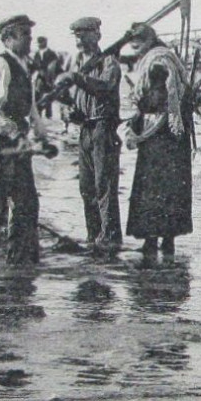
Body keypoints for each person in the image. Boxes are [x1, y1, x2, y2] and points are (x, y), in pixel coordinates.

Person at [0, 14, 49, 265]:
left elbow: (29, 105)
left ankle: (20, 259)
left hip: (14, 145)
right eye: (24, 35)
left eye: (29, 34)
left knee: (25, 203)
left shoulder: (19, 64)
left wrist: (40, 131)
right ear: (8, 38)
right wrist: (14, 132)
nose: (30, 39)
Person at [124, 22, 194, 263]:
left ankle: (151, 242)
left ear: (146, 43)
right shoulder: (168, 56)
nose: (136, 51)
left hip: (159, 136)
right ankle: (168, 242)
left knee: (153, 190)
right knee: (173, 190)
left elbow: (157, 100)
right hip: (176, 137)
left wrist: (138, 115)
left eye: (137, 46)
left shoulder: (155, 64)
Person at [61, 17, 123, 253]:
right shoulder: (77, 62)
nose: (80, 39)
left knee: (103, 186)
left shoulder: (109, 62)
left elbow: (104, 88)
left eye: (85, 34)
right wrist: (69, 110)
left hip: (103, 129)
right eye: (77, 35)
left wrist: (77, 78)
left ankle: (110, 239)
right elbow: (76, 97)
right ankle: (93, 236)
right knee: (86, 187)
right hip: (85, 129)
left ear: (97, 35)